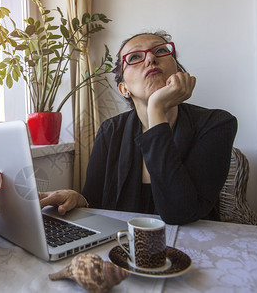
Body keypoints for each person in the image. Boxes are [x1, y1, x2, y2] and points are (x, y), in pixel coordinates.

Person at [39, 30, 237, 225]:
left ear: (178, 71)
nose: (150, 58)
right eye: (134, 56)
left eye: (160, 51)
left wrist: (156, 109)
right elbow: (95, 201)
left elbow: (180, 213)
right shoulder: (110, 131)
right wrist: (77, 199)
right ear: (124, 88)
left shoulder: (216, 124)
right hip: (121, 246)